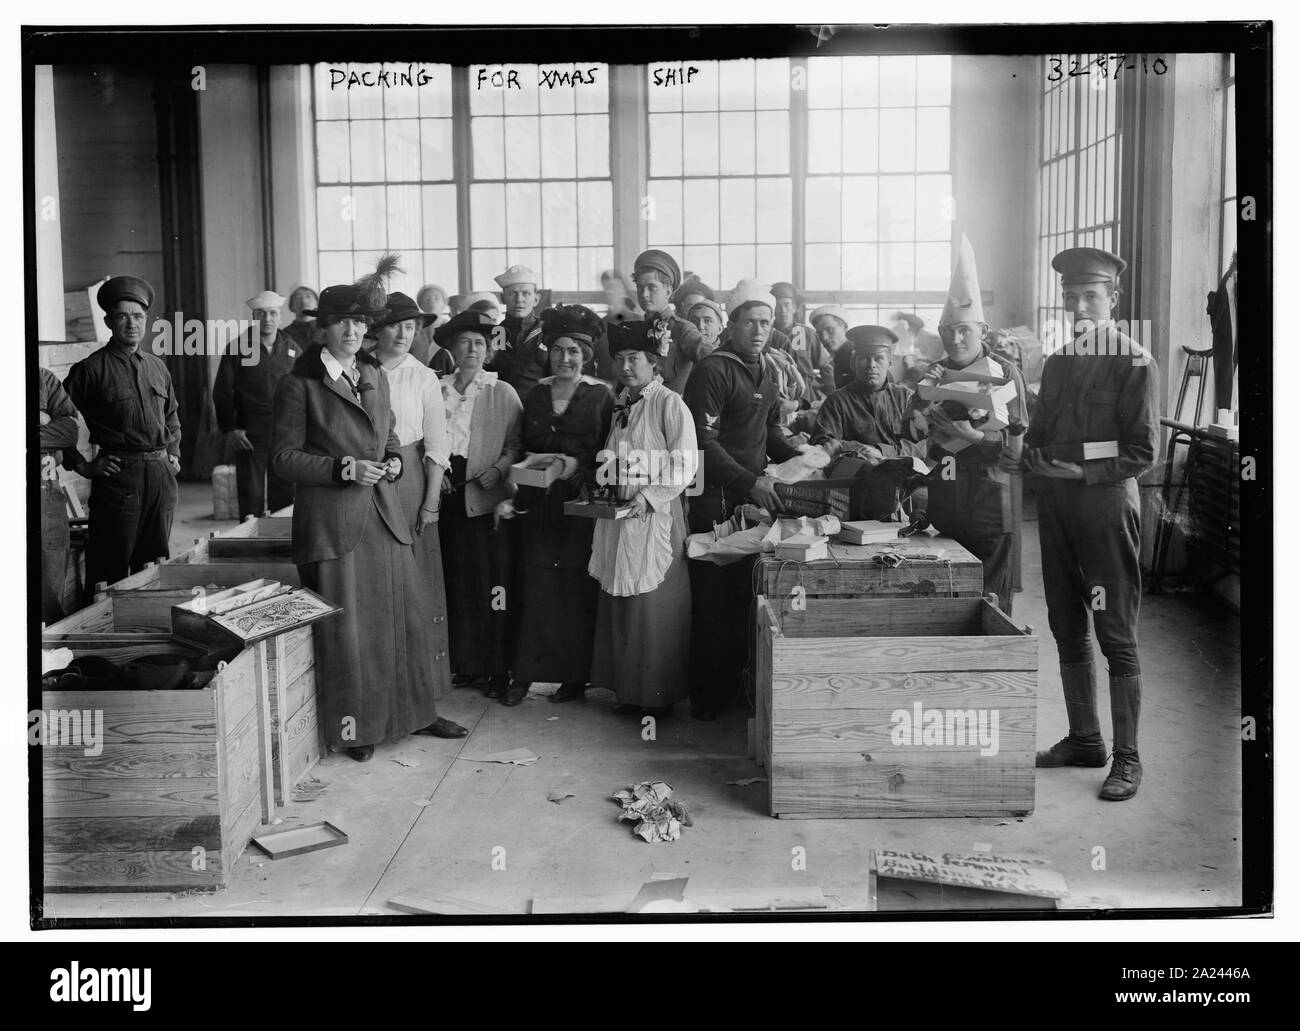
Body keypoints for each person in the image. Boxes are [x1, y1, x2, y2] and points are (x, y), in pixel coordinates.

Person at [270, 261, 467, 762]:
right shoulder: (302, 385)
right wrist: (343, 470)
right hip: (336, 524)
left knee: (406, 619)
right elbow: (282, 458)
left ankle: (416, 715)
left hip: (383, 514)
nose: (353, 331)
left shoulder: (370, 372)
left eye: (360, 323)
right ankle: (360, 730)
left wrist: (396, 461)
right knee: (353, 633)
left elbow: (391, 433)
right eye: (342, 323)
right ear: (323, 329)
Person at [1028, 246, 1159, 802]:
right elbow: (1037, 430)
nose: (1079, 306)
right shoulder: (1057, 363)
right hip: (1056, 508)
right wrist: (1030, 452)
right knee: (1065, 619)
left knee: (1115, 632)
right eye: (1070, 297)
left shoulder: (1134, 362)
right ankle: (1086, 738)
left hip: (1104, 505)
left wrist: (1082, 468)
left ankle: (1128, 757)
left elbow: (1144, 450)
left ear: (1113, 300)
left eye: (1091, 296)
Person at [683, 283, 803, 721]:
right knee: (712, 603)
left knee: (742, 600)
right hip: (713, 502)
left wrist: (801, 456)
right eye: (749, 322)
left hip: (750, 503)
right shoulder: (713, 371)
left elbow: (768, 431)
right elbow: (703, 442)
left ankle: (735, 692)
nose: (758, 330)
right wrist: (749, 480)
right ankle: (707, 699)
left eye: (765, 323)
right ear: (730, 325)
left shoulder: (768, 371)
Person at [505, 306, 615, 707]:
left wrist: (574, 468)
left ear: (586, 355)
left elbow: (608, 455)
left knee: (574, 591)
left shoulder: (602, 395)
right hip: (536, 505)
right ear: (548, 352)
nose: (565, 358)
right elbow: (524, 445)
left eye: (574, 351)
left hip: (577, 507)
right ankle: (525, 676)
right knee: (533, 589)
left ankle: (574, 678)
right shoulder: (534, 394)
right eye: (558, 350)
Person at [589, 320, 697, 717]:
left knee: (652, 605)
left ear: (654, 362)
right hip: (620, 512)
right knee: (622, 599)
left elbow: (684, 465)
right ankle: (629, 691)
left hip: (656, 514)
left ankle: (657, 696)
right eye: (619, 358)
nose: (625, 366)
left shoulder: (670, 403)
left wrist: (648, 497)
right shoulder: (620, 402)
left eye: (634, 358)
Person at [916, 236, 1027, 615]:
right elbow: (916, 435)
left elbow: (1018, 443)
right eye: (948, 330)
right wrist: (922, 398)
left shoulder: (1004, 372)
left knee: (991, 597)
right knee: (950, 596)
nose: (956, 338)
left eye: (964, 330)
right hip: (947, 498)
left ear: (983, 330)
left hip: (990, 498)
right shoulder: (935, 373)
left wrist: (974, 436)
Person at [65, 275, 181, 590]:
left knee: (155, 566)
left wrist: (174, 454)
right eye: (122, 316)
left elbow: (171, 416)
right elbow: (58, 419)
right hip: (118, 480)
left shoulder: (157, 367)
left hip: (160, 477)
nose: (132, 324)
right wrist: (82, 465)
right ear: (108, 321)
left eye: (139, 316)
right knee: (110, 569)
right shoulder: (90, 370)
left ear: (147, 320)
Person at [369, 292, 454, 708]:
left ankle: (422, 692)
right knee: (374, 584)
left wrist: (430, 503)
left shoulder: (421, 375)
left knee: (415, 583)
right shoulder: (357, 368)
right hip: (365, 480)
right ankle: (381, 693)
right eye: (395, 325)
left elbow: (437, 443)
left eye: (411, 327)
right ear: (376, 328)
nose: (403, 334)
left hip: (410, 482)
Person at [437, 310, 524, 699]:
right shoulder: (437, 389)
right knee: (459, 582)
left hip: (487, 499)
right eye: (464, 342)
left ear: (488, 351)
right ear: (452, 349)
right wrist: (435, 471)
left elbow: (518, 444)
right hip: (448, 496)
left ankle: (497, 669)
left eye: (479, 343)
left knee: (495, 585)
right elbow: (428, 440)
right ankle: (467, 665)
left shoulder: (501, 391)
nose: (471, 349)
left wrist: (500, 469)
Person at [811, 325, 930, 520]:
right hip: (859, 488)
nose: (871, 365)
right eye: (864, 358)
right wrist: (857, 448)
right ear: (853, 362)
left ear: (890, 361)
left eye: (878, 358)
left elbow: (926, 443)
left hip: (907, 482)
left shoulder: (906, 399)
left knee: (925, 503)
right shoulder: (837, 401)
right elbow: (822, 444)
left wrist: (882, 451)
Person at [212, 289, 299, 519]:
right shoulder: (237, 347)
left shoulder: (292, 348)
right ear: (254, 318)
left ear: (280, 317)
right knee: (250, 493)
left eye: (272, 313)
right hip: (249, 433)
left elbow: (304, 391)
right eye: (261, 313)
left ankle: (281, 545)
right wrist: (231, 428)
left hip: (284, 432)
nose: (267, 319)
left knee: (285, 491)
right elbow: (222, 392)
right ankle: (249, 543)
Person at [39, 367, 81, 622]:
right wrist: (44, 422)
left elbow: (69, 431)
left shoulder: (44, 379)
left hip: (49, 500)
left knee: (51, 595)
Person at [631, 249, 702, 394]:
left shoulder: (682, 329)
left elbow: (715, 362)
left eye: (652, 287)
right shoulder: (633, 329)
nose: (644, 294)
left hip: (670, 412)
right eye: (640, 287)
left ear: (668, 291)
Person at [488, 265, 550, 401]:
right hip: (501, 406)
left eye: (526, 293)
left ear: (536, 299)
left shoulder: (548, 332)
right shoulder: (495, 334)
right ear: (502, 298)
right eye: (512, 293)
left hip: (539, 409)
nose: (519, 299)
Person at [809, 304, 853, 395]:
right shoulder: (838, 357)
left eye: (830, 329)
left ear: (845, 327)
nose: (824, 338)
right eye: (819, 333)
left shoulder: (855, 356)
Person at [407, 284, 451, 368]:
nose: (432, 301)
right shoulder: (414, 331)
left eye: (436, 298)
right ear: (421, 305)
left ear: (444, 303)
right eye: (427, 299)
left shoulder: (450, 328)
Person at [685, 297, 726, 362]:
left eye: (707, 321)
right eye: (694, 320)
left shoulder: (724, 359)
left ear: (720, 329)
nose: (700, 326)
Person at [282, 286, 318, 352]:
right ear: (291, 306)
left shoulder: (326, 330)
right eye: (298, 297)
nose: (304, 301)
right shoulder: (285, 334)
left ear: (317, 303)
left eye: (308, 296)